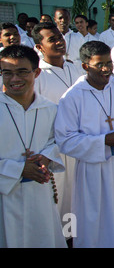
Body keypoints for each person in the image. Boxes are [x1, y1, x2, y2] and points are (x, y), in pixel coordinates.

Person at [54, 41, 114, 248]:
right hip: (93, 169)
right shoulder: (72, 97)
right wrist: (104, 140)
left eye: (109, 63)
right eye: (100, 65)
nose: (107, 69)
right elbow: (65, 140)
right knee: (97, 219)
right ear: (85, 66)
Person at [0, 45, 66, 247]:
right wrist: (19, 169)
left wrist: (46, 157)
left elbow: (55, 141)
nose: (14, 79)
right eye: (7, 73)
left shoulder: (49, 108)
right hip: (5, 197)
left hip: (39, 193)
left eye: (22, 72)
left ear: (36, 72)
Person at [32, 22, 84, 222]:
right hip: (55, 145)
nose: (59, 42)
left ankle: (78, 235)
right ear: (39, 47)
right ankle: (63, 237)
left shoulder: (75, 69)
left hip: (79, 140)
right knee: (60, 194)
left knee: (78, 193)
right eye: (51, 39)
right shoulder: (38, 76)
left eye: (59, 38)